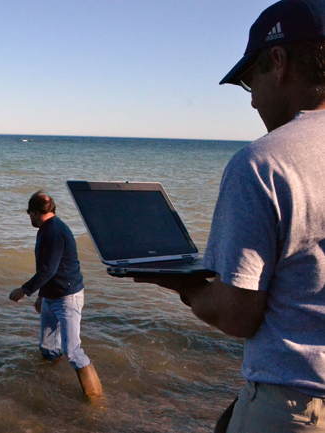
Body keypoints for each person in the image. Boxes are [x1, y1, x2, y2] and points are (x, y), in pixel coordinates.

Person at [133, 1, 325, 431]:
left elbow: (237, 315)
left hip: (295, 406)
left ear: (279, 62)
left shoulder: (264, 162)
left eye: (248, 80)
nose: (252, 99)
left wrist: (185, 285)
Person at [9, 191, 103, 401]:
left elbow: (48, 270)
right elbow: (49, 267)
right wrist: (42, 296)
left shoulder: (54, 231)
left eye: (29, 213)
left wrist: (23, 291)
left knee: (72, 351)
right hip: (52, 296)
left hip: (67, 297)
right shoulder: (47, 228)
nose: (29, 217)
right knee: (48, 346)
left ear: (34, 212)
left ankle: (96, 398)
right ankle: (47, 382)